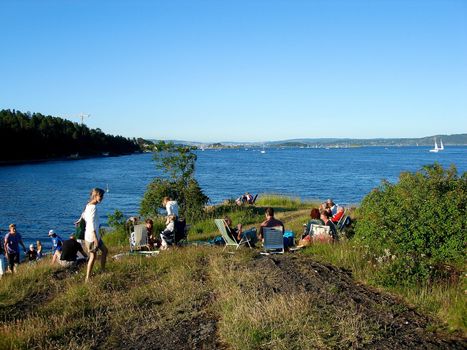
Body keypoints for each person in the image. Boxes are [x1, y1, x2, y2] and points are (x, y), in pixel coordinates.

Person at [81, 188, 108, 282]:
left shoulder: (88, 205)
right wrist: (95, 238)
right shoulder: (93, 207)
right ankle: (87, 278)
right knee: (93, 256)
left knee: (105, 251)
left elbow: (84, 214)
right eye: (101, 196)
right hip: (92, 237)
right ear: (95, 196)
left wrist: (80, 220)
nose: (102, 198)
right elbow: (91, 223)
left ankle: (103, 271)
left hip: (94, 235)